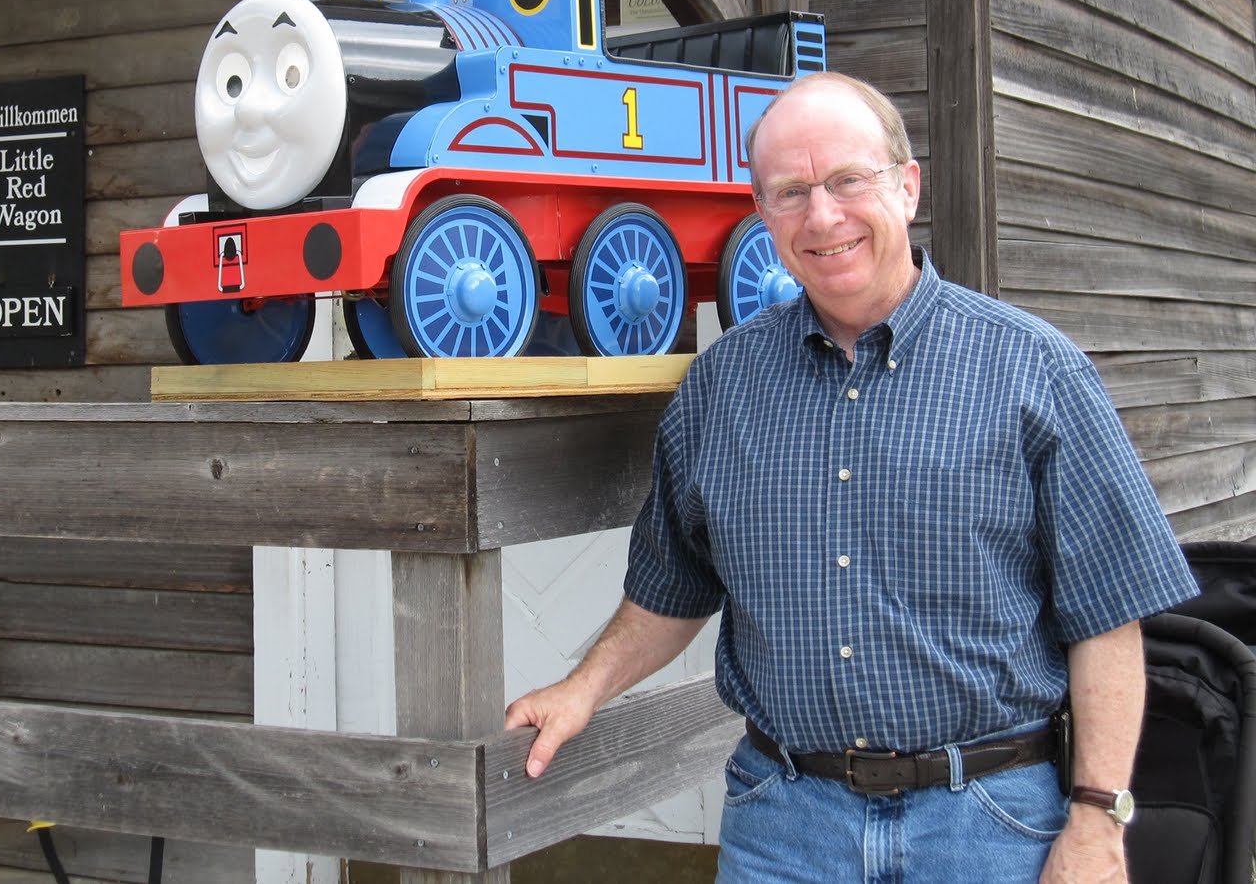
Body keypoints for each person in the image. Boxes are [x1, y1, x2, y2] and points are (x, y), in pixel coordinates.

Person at [504, 72, 1199, 883]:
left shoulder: (1034, 371)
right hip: (787, 825)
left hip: (990, 823)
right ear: (761, 216)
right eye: (790, 192)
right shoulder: (720, 387)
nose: (822, 215)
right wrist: (583, 688)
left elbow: (1106, 615)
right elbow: (674, 585)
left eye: (846, 180)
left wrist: (1096, 818)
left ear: (907, 188)